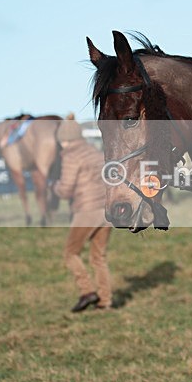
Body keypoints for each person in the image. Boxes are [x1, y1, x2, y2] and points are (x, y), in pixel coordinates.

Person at [52, 118, 114, 312]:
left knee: (70, 253)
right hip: (106, 210)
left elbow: (66, 190)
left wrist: (54, 187)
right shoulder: (94, 152)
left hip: (86, 211)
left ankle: (87, 291)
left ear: (64, 139)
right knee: (98, 257)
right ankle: (104, 301)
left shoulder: (71, 156)